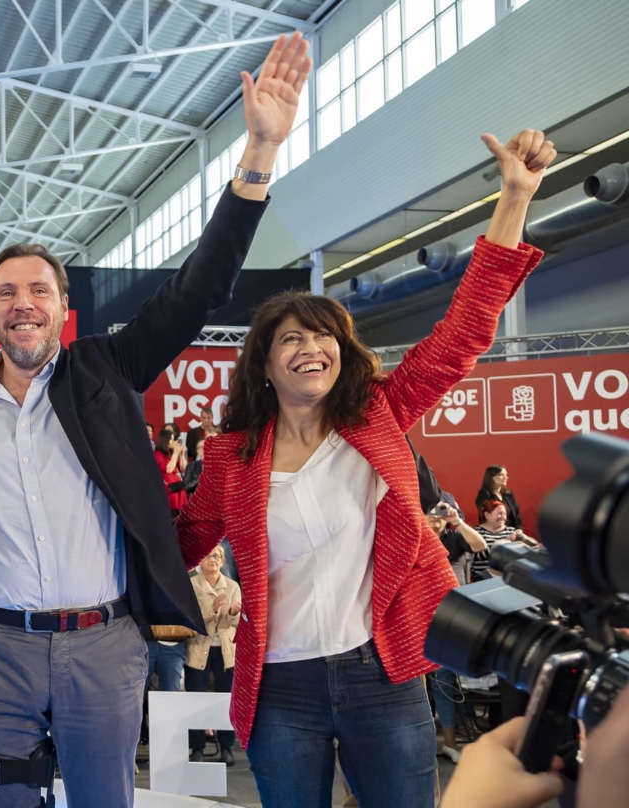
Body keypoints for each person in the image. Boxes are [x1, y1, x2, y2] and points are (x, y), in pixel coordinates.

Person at [0, 34, 310, 808]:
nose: (23, 303)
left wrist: (259, 154)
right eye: (6, 292)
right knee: (0, 801)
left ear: (64, 308)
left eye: (39, 289)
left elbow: (199, 290)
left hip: (103, 647)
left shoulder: (107, 368)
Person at [177, 127, 556, 808]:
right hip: (279, 688)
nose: (310, 347)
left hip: (383, 673)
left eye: (323, 334)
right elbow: (182, 538)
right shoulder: (230, 458)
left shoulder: (379, 413)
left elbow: (463, 331)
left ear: (342, 351)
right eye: (290, 338)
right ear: (264, 364)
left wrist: (514, 198)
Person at [186, 545, 242, 765]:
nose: (213, 559)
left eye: (217, 556)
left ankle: (227, 747)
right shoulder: (192, 585)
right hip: (199, 647)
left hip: (226, 650)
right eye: (208, 555)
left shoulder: (232, 586)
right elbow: (191, 618)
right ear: (200, 561)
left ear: (223, 560)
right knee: (196, 699)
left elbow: (237, 623)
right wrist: (213, 610)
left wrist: (231, 612)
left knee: (226, 699)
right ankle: (197, 747)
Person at [471, 499, 536, 582]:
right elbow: (475, 555)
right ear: (487, 515)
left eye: (505, 514)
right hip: (484, 577)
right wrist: (503, 542)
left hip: (509, 577)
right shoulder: (476, 532)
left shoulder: (510, 530)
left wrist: (529, 547)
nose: (503, 517)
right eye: (499, 514)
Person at [475, 465, 523, 530]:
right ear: (492, 477)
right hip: (494, 532)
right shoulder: (484, 495)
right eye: (501, 475)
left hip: (513, 532)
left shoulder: (509, 495)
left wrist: (519, 530)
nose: (506, 478)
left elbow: (517, 516)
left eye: (506, 475)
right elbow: (485, 518)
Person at [155, 426, 189, 515]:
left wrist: (181, 454)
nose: (172, 442)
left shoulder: (170, 454)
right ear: (164, 440)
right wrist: (175, 453)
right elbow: (169, 469)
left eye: (173, 439)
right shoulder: (158, 455)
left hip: (179, 490)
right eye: (171, 439)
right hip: (170, 492)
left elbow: (183, 468)